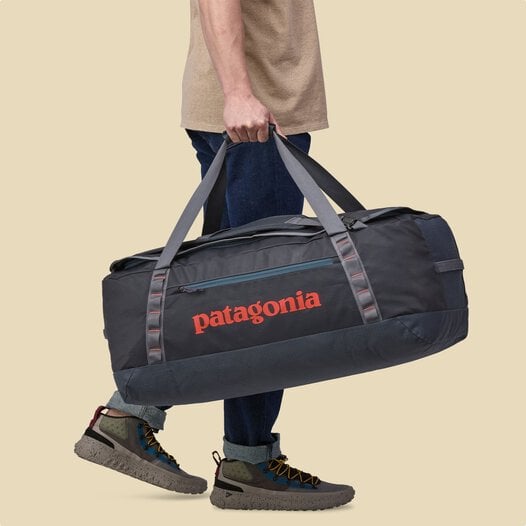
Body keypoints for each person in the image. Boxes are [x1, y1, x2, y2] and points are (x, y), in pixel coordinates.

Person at [74, 0, 354, 511]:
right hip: (254, 115)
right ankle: (245, 460)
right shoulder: (248, 106)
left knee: (227, 294)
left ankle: (135, 417)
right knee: (264, 298)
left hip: (257, 110)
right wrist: (238, 94)